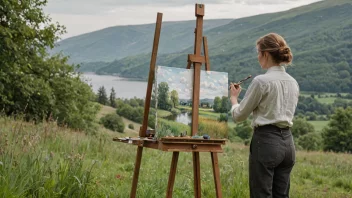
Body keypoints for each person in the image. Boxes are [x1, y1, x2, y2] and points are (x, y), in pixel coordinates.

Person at [229, 33, 299, 198]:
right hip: (288, 144)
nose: (258, 57)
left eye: (258, 52)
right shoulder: (293, 82)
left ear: (266, 54)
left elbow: (239, 116)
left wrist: (234, 99)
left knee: (261, 194)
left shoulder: (261, 81)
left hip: (266, 142)